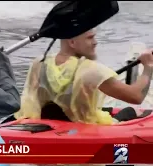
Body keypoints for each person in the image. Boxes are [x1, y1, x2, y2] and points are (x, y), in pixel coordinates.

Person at [14, 28, 153, 125]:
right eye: (90, 38)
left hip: (48, 123)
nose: (95, 42)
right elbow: (136, 96)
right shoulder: (91, 70)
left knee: (105, 110)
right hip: (83, 128)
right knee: (132, 110)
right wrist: (148, 66)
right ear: (72, 42)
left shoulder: (39, 63)